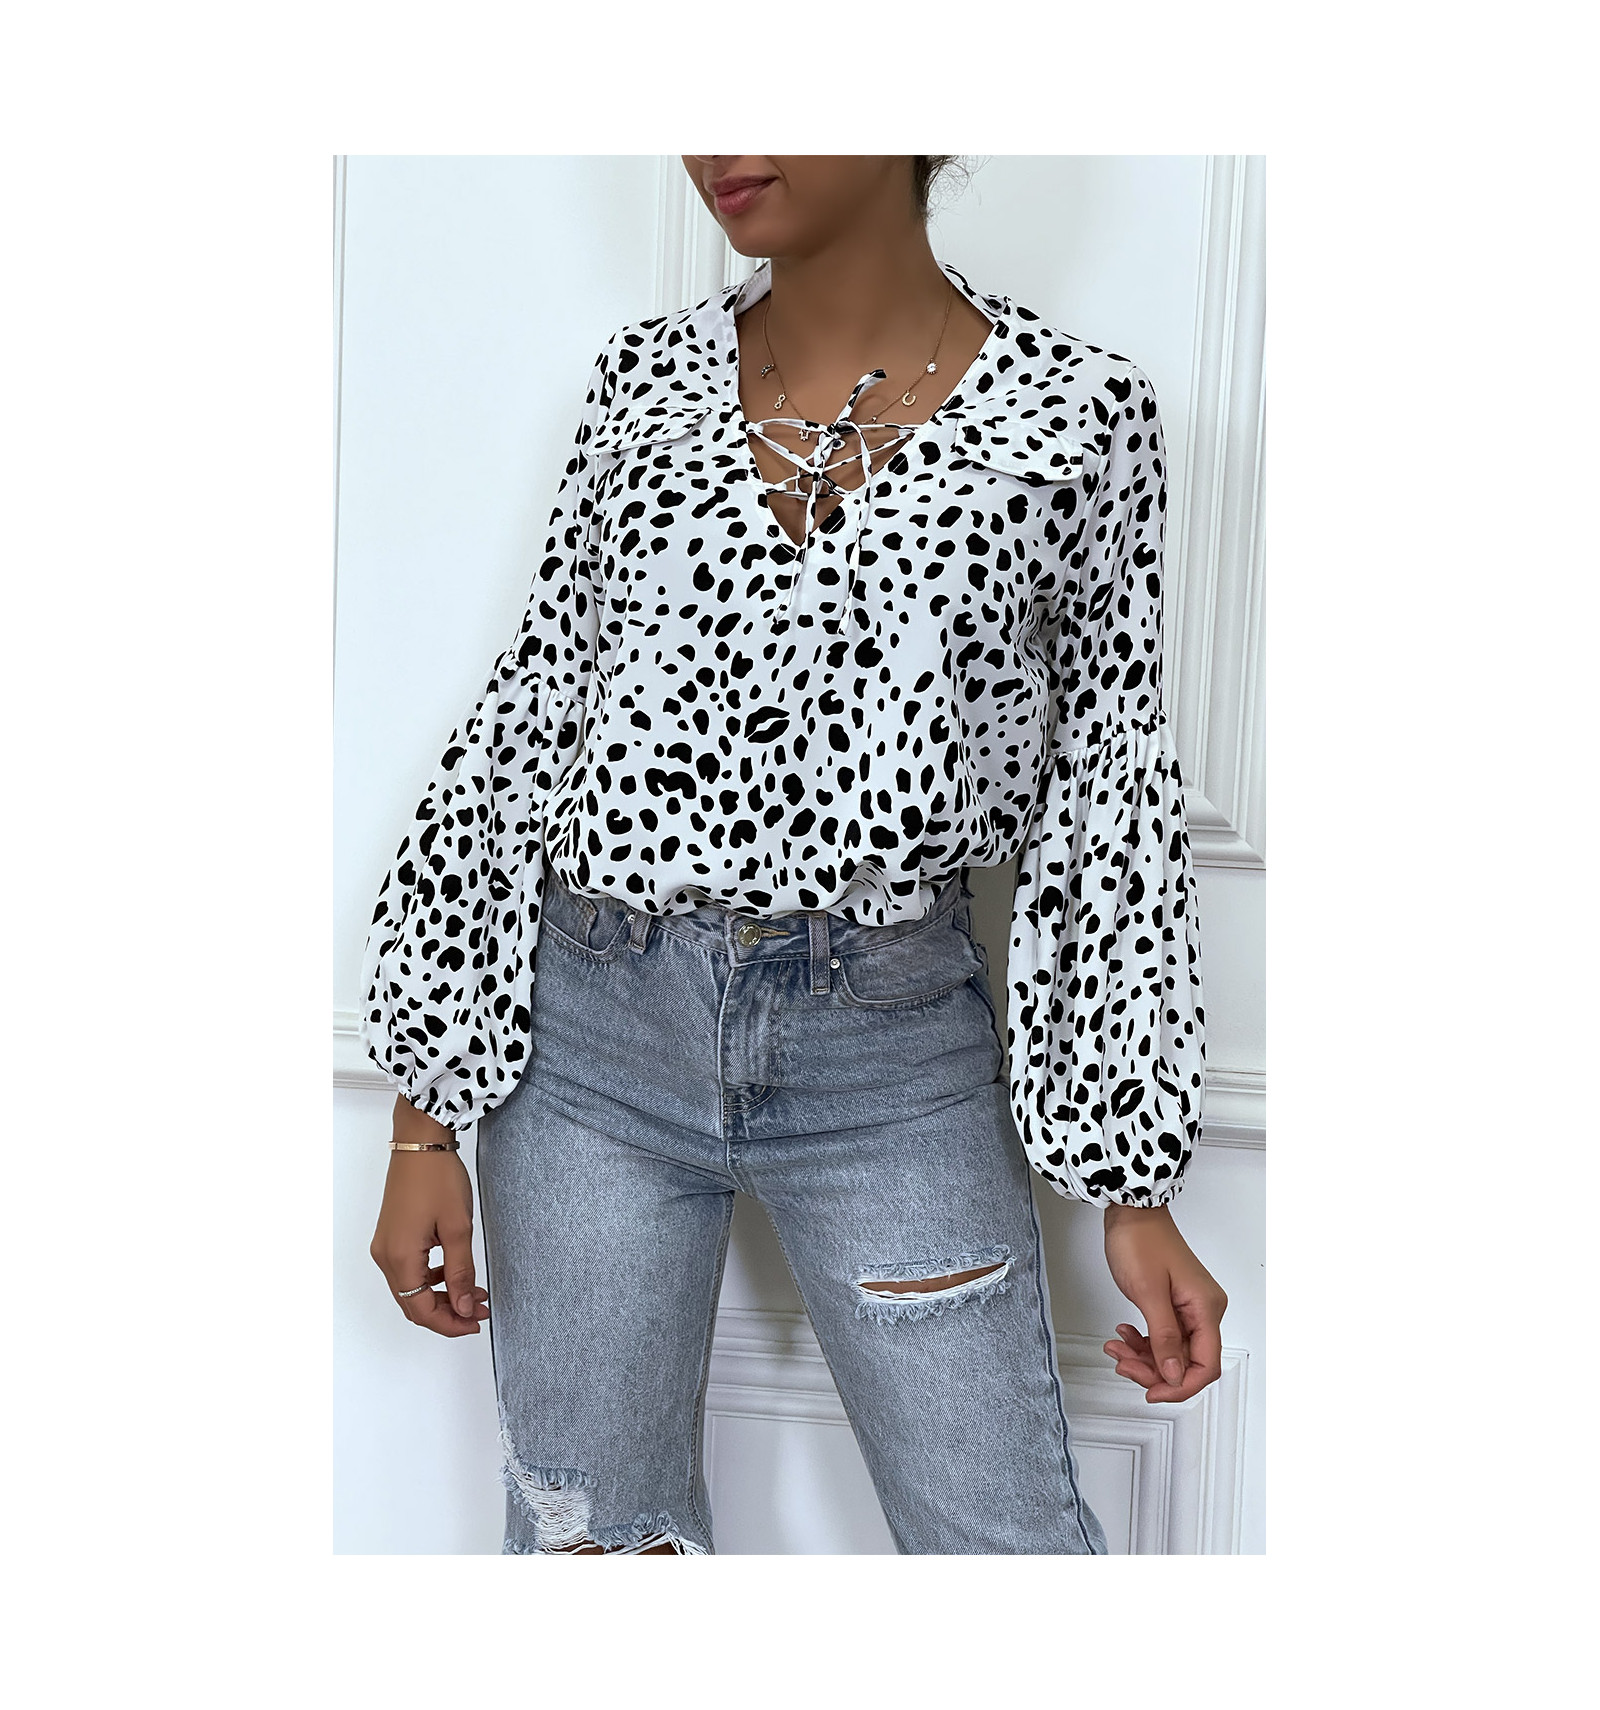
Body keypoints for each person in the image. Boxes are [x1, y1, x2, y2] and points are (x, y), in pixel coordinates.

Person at [362, 154, 1227, 1556]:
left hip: (888, 1046)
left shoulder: (1080, 415)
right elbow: (533, 712)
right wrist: (423, 1115)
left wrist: (1132, 1189)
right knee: (594, 1547)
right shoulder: (642, 380)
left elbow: (1109, 791)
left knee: (1003, 1549)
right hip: (589, 1036)